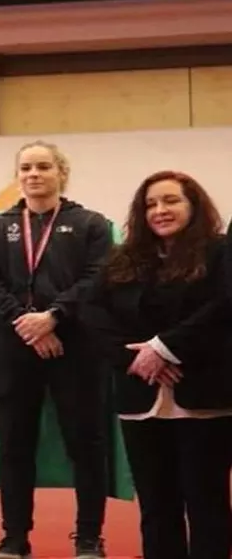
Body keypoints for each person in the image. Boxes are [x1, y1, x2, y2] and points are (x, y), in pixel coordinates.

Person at [0, 141, 111, 559]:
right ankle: (14, 537)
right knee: (14, 446)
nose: (34, 174)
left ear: (61, 173)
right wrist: (28, 325)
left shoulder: (91, 224)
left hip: (76, 349)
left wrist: (54, 316)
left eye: (43, 166)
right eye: (26, 167)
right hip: (13, 349)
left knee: (86, 444)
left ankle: (89, 537)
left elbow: (98, 279)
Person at [85, 171, 232, 559]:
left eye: (171, 201)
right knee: (155, 506)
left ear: (193, 205)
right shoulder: (123, 259)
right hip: (140, 396)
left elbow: (222, 308)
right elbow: (93, 313)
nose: (160, 210)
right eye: (151, 204)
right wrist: (136, 358)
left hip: (204, 395)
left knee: (207, 504)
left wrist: (164, 348)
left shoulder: (220, 252)